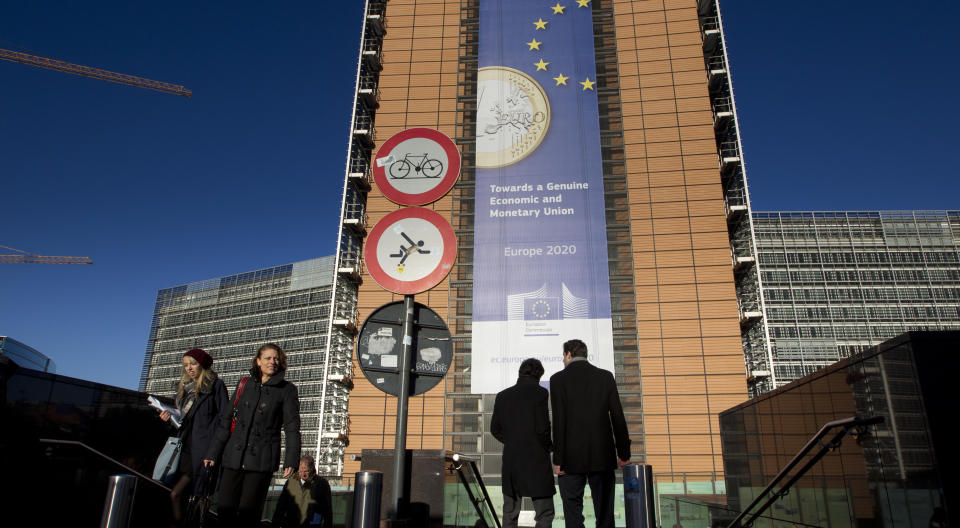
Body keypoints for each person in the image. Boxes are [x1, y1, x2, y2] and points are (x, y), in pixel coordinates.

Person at [203, 343, 301, 527]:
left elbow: (292, 427)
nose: (273, 361)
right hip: (233, 457)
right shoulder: (244, 384)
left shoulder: (287, 389)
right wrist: (213, 452)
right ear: (258, 361)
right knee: (225, 510)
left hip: (261, 460)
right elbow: (226, 420)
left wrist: (291, 460)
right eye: (268, 358)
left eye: (276, 358)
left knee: (248, 513)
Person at [549, 339, 630, 528]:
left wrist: (558, 459)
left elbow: (559, 422)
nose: (563, 360)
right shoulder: (605, 377)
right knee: (605, 513)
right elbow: (618, 417)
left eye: (563, 356)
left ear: (569, 354)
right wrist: (624, 453)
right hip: (602, 455)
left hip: (570, 458)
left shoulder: (557, 380)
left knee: (572, 512)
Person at [157, 348, 228, 527]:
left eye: (193, 364)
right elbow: (181, 420)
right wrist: (168, 418)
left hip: (203, 449)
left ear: (202, 365)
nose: (189, 368)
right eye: (186, 365)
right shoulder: (184, 390)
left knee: (192, 494)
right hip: (183, 448)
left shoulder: (215, 386)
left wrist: (214, 449)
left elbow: (224, 419)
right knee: (175, 492)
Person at [491, 358, 555, 528]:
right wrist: (549, 447)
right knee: (544, 513)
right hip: (537, 459)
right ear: (539, 375)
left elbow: (494, 429)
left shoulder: (503, 396)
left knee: (510, 513)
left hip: (512, 461)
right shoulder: (540, 393)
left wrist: (513, 441)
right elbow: (543, 428)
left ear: (520, 372)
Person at [272, 455, 333, 528]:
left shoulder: (322, 484)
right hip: (291, 523)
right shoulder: (290, 482)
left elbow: (327, 509)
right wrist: (275, 523)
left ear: (312, 469)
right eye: (300, 471)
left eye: (306, 471)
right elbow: (281, 505)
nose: (303, 474)